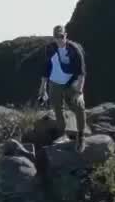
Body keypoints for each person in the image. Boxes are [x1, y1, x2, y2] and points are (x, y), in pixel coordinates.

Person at [37, 23, 87, 151]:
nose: (59, 39)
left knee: (79, 107)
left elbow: (81, 73)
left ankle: (81, 136)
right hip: (54, 83)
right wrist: (43, 88)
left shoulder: (74, 49)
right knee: (58, 110)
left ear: (66, 35)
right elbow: (46, 68)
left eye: (61, 36)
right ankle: (63, 134)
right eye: (56, 36)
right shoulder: (50, 48)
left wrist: (79, 92)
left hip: (71, 82)